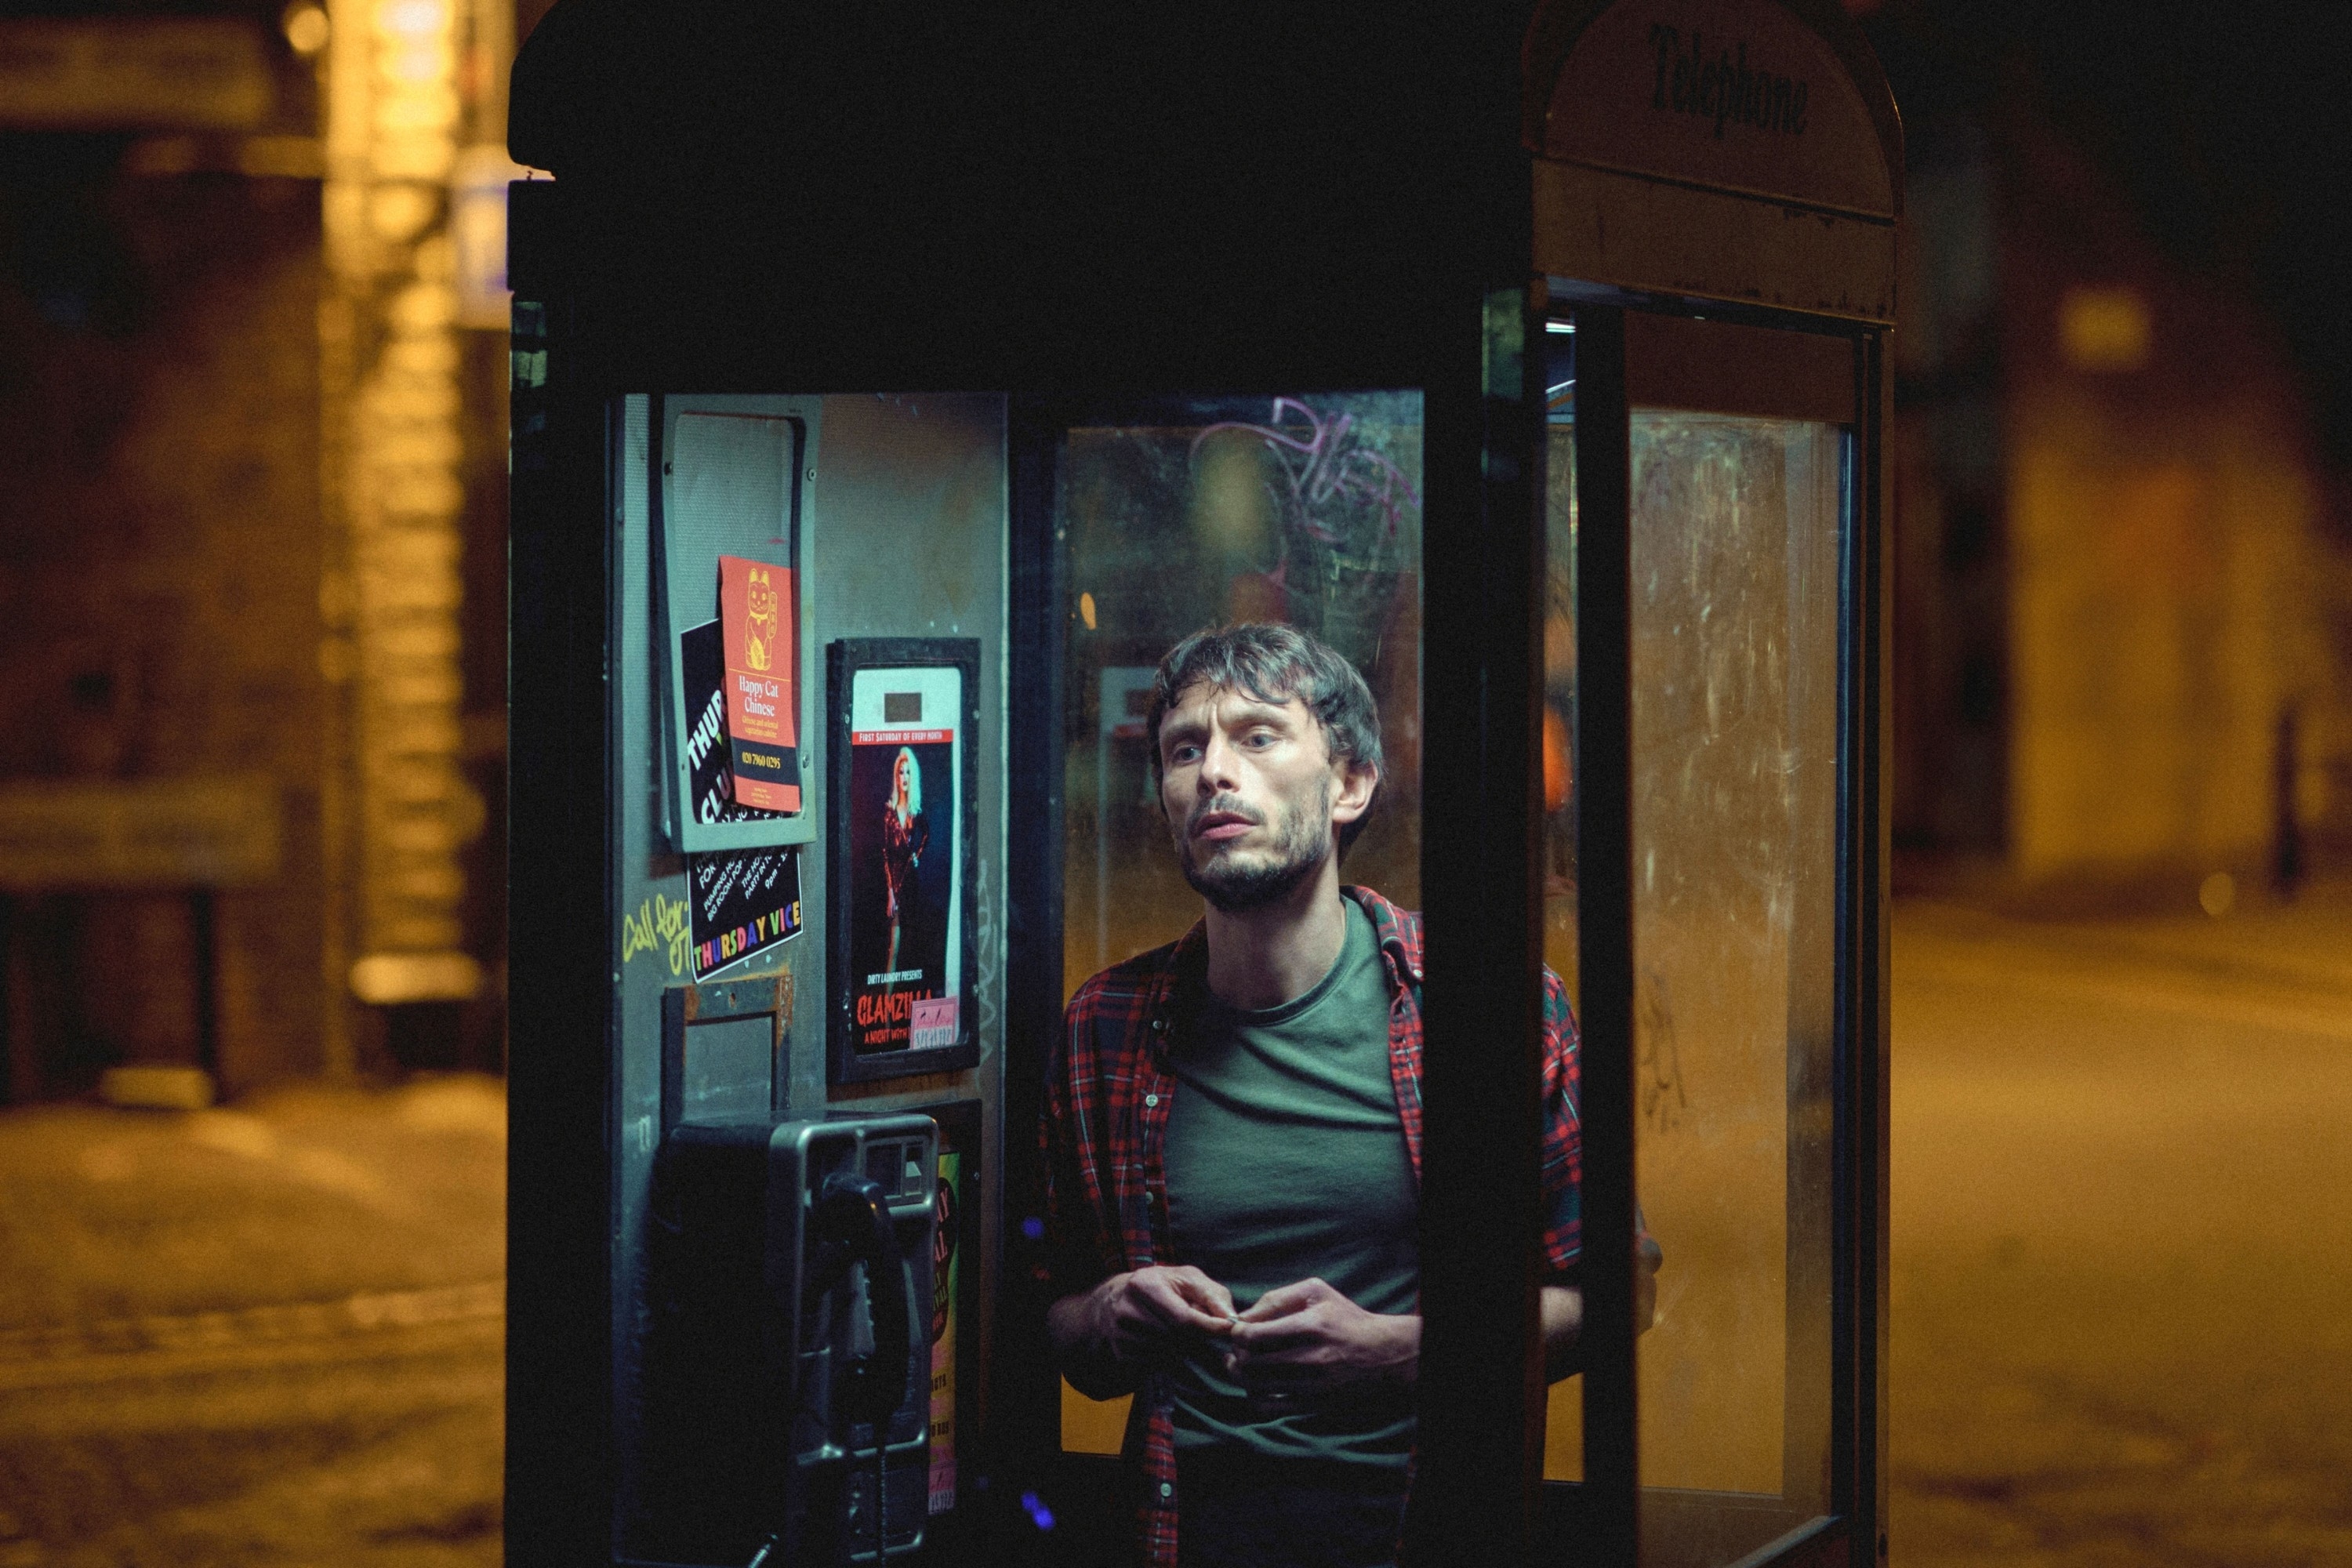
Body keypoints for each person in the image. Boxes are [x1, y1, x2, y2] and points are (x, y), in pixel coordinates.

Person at [1041, 622, 1658, 1568]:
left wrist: (1405, 1350)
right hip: (1182, 1531)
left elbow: (1618, 1289)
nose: (1213, 770)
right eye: (1183, 747)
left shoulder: (1486, 1005)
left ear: (1350, 784)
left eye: (1256, 735)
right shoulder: (1108, 1024)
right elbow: (1061, 1318)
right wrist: (1112, 1312)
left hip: (1421, 1525)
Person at [880, 745, 927, 975]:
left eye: (908, 772)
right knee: (894, 947)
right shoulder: (890, 812)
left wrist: (917, 855)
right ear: (896, 776)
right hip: (896, 886)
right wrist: (890, 892)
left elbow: (927, 834)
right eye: (901, 772)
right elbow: (886, 854)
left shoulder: (916, 812)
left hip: (912, 885)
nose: (904, 777)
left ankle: (911, 1003)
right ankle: (888, 1007)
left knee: (913, 945)